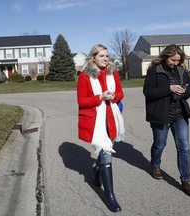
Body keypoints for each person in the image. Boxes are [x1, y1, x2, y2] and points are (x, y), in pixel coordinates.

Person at [143, 44, 190, 196]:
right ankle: (155, 164)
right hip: (161, 115)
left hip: (180, 114)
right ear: (166, 56)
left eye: (178, 60)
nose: (175, 63)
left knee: (184, 147)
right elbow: (148, 92)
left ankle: (186, 180)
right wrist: (170, 88)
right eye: (173, 60)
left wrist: (185, 91)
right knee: (160, 144)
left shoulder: (182, 70)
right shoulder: (154, 70)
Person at [77, 44, 125, 212]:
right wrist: (100, 97)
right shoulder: (84, 76)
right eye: (102, 56)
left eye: (107, 56)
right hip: (96, 120)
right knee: (105, 154)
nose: (106, 58)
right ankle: (110, 196)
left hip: (112, 119)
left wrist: (113, 96)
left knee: (105, 152)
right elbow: (82, 101)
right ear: (93, 58)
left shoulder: (113, 72)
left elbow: (120, 93)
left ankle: (97, 169)